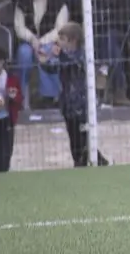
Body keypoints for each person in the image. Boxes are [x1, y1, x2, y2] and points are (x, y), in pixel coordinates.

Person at [38, 22, 110, 167]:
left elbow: (70, 63)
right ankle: (81, 161)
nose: (59, 42)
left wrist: (56, 55)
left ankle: (94, 161)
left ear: (73, 41)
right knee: (73, 136)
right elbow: (52, 68)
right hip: (68, 105)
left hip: (82, 104)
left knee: (83, 137)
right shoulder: (62, 56)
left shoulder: (82, 55)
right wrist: (46, 59)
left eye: (62, 39)